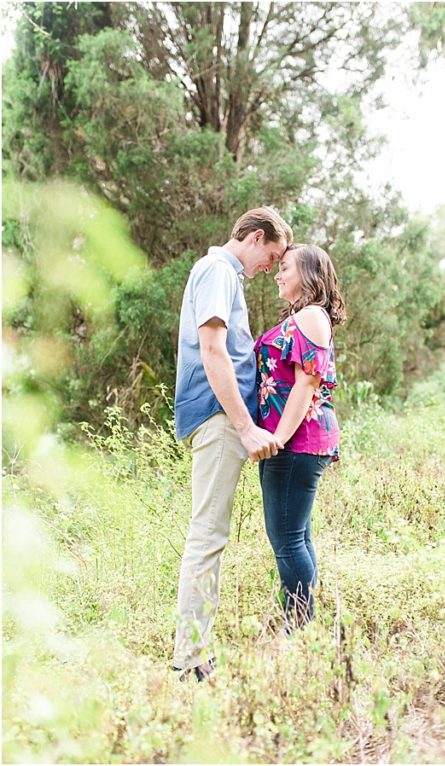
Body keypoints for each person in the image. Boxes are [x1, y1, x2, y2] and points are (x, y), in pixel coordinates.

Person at [173, 206, 292, 681]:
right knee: (208, 535)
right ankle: (190, 661)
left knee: (210, 534)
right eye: (273, 255)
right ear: (255, 236)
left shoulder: (224, 276)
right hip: (220, 418)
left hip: (224, 418)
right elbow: (213, 349)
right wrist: (244, 426)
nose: (270, 267)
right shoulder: (218, 270)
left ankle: (193, 653)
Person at [255, 244, 345, 628]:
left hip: (296, 440)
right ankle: (302, 623)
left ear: (308, 274)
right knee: (295, 536)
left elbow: (306, 383)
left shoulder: (311, 316)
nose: (277, 274)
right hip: (294, 440)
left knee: (288, 540)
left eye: (285, 267)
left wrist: (278, 438)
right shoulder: (304, 317)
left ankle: (299, 629)